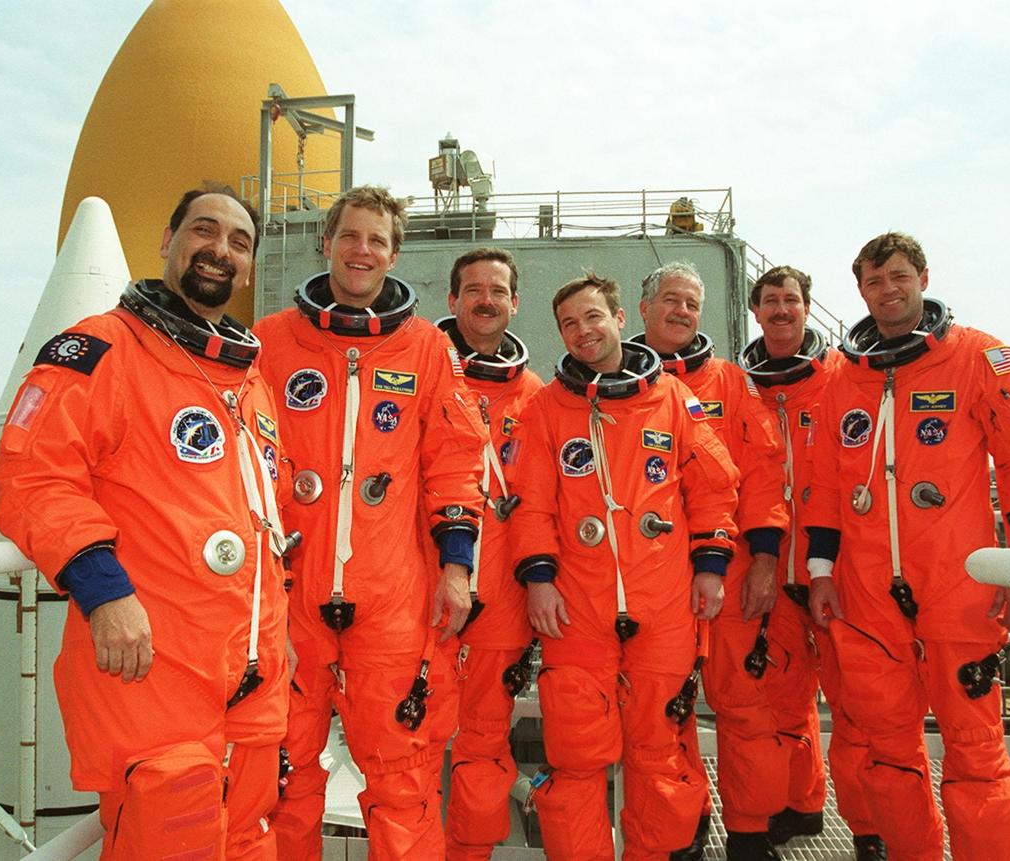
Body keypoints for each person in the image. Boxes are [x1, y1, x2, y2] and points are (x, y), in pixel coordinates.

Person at [0, 185, 290, 859]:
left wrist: (279, 631)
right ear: (167, 241)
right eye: (203, 230)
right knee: (168, 832)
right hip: (151, 661)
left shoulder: (250, 383)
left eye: (238, 242)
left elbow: (263, 520)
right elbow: (31, 475)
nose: (219, 250)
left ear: (248, 268)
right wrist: (103, 592)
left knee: (248, 836)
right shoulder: (101, 349)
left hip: (252, 670)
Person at [804, 232, 1010, 861]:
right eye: (873, 281)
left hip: (958, 584)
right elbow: (824, 485)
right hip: (865, 593)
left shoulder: (978, 357)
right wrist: (821, 570)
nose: (887, 290)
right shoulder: (841, 378)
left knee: (974, 746)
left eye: (898, 276)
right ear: (860, 290)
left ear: (922, 277)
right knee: (887, 746)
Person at [254, 186, 488, 860]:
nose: (362, 250)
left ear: (394, 255)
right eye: (351, 236)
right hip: (290, 598)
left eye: (377, 240)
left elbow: (455, 463)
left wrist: (456, 568)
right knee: (279, 775)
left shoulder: (426, 349)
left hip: (392, 601)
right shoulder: (269, 342)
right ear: (326, 243)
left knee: (403, 778)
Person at [509, 273, 739, 860]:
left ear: (618, 318)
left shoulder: (674, 399)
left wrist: (711, 566)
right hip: (576, 610)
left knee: (658, 755)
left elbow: (714, 488)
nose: (583, 331)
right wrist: (539, 580)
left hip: (664, 606)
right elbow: (530, 506)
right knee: (575, 759)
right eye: (569, 323)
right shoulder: (546, 409)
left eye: (592, 317)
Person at [634, 261, 789, 860]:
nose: (681, 312)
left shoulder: (730, 383)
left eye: (691, 305)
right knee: (665, 712)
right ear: (644, 309)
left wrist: (766, 561)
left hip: (730, 573)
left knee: (744, 704)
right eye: (670, 300)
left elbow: (764, 476)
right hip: (652, 579)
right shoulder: (614, 382)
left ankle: (749, 831)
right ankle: (683, 829)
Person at [740, 265, 885, 860]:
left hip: (838, 569)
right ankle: (798, 804)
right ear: (755, 312)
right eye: (770, 300)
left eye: (791, 300)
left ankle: (872, 827)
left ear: (806, 307)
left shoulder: (842, 378)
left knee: (857, 704)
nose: (781, 310)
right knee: (780, 696)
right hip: (770, 567)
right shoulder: (740, 388)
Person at [433, 248, 544, 860]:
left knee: (482, 742)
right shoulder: (422, 369)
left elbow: (543, 503)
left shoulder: (535, 396)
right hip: (427, 586)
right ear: (452, 300)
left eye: (497, 291)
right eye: (472, 289)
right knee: (410, 745)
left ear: (514, 303)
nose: (485, 300)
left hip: (501, 601)